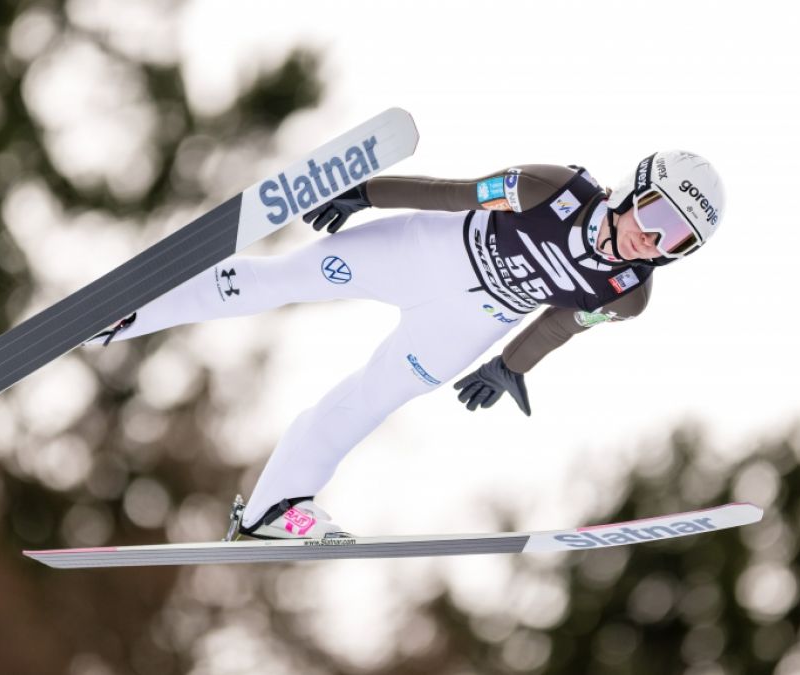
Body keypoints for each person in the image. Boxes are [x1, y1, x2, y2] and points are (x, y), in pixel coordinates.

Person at [87, 150, 727, 540]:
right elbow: (453, 194)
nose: (653, 240)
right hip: (424, 254)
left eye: (676, 240)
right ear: (634, 188)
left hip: (472, 321)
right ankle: (135, 308)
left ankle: (273, 509)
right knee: (283, 280)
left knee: (372, 400)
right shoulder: (550, 188)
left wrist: (509, 366)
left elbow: (562, 322)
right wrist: (367, 193)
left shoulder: (627, 294)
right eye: (657, 216)